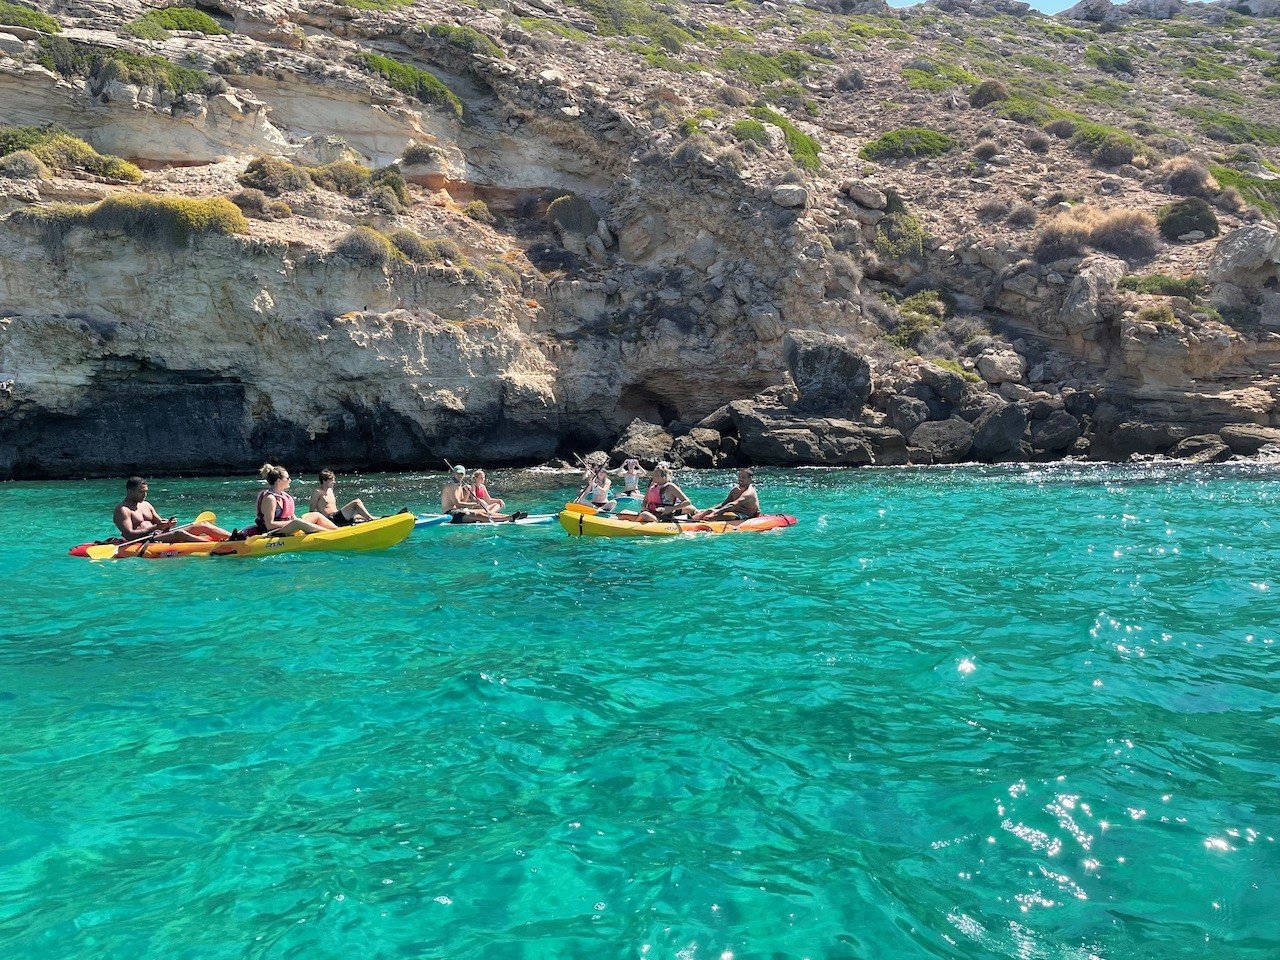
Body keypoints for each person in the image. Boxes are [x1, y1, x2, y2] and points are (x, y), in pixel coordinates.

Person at [113, 476, 229, 543]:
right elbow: (129, 535)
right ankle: (215, 545)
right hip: (144, 539)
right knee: (179, 533)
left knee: (202, 525)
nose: (144, 495)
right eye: (141, 492)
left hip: (159, 534)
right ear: (130, 491)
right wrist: (155, 527)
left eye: (146, 492)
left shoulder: (146, 505)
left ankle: (235, 537)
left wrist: (168, 524)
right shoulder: (123, 510)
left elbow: (160, 524)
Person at [251, 463, 338, 536]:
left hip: (287, 526)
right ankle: (330, 534)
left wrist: (298, 522)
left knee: (316, 515)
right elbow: (269, 525)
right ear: (278, 481)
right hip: (274, 531)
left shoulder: (284, 495)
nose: (290, 480)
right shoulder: (270, 498)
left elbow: (292, 516)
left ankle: (337, 531)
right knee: (297, 522)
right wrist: (293, 522)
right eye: (287, 478)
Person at [441, 465, 525, 523]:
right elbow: (458, 504)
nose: (459, 475)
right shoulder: (450, 486)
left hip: (459, 511)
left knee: (484, 511)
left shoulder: (459, 486)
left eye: (461, 474)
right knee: (478, 514)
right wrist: (475, 503)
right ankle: (510, 518)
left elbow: (463, 502)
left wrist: (467, 492)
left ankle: (509, 516)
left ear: (464, 475)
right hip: (450, 514)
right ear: (453, 474)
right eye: (457, 473)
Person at [620, 463, 695, 524]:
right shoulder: (652, 485)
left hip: (663, 518)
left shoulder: (670, 487)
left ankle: (635, 524)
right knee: (623, 512)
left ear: (663, 477)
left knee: (644, 515)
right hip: (650, 514)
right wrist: (644, 507)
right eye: (653, 475)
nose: (653, 478)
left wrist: (672, 508)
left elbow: (687, 502)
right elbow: (645, 501)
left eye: (656, 476)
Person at [309, 468, 376, 526]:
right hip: (331, 519)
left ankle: (377, 519)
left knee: (360, 516)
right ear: (324, 481)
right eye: (331, 480)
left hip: (337, 517)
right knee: (356, 502)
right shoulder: (317, 492)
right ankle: (371, 518)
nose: (334, 482)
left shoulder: (330, 490)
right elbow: (311, 511)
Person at [694, 468, 761, 521]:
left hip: (746, 515)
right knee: (709, 510)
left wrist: (715, 513)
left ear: (750, 479)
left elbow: (733, 504)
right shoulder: (735, 490)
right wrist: (711, 509)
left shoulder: (749, 493)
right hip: (734, 513)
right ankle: (691, 519)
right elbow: (724, 504)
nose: (740, 479)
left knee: (714, 516)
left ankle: (697, 523)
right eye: (739, 476)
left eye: (743, 477)